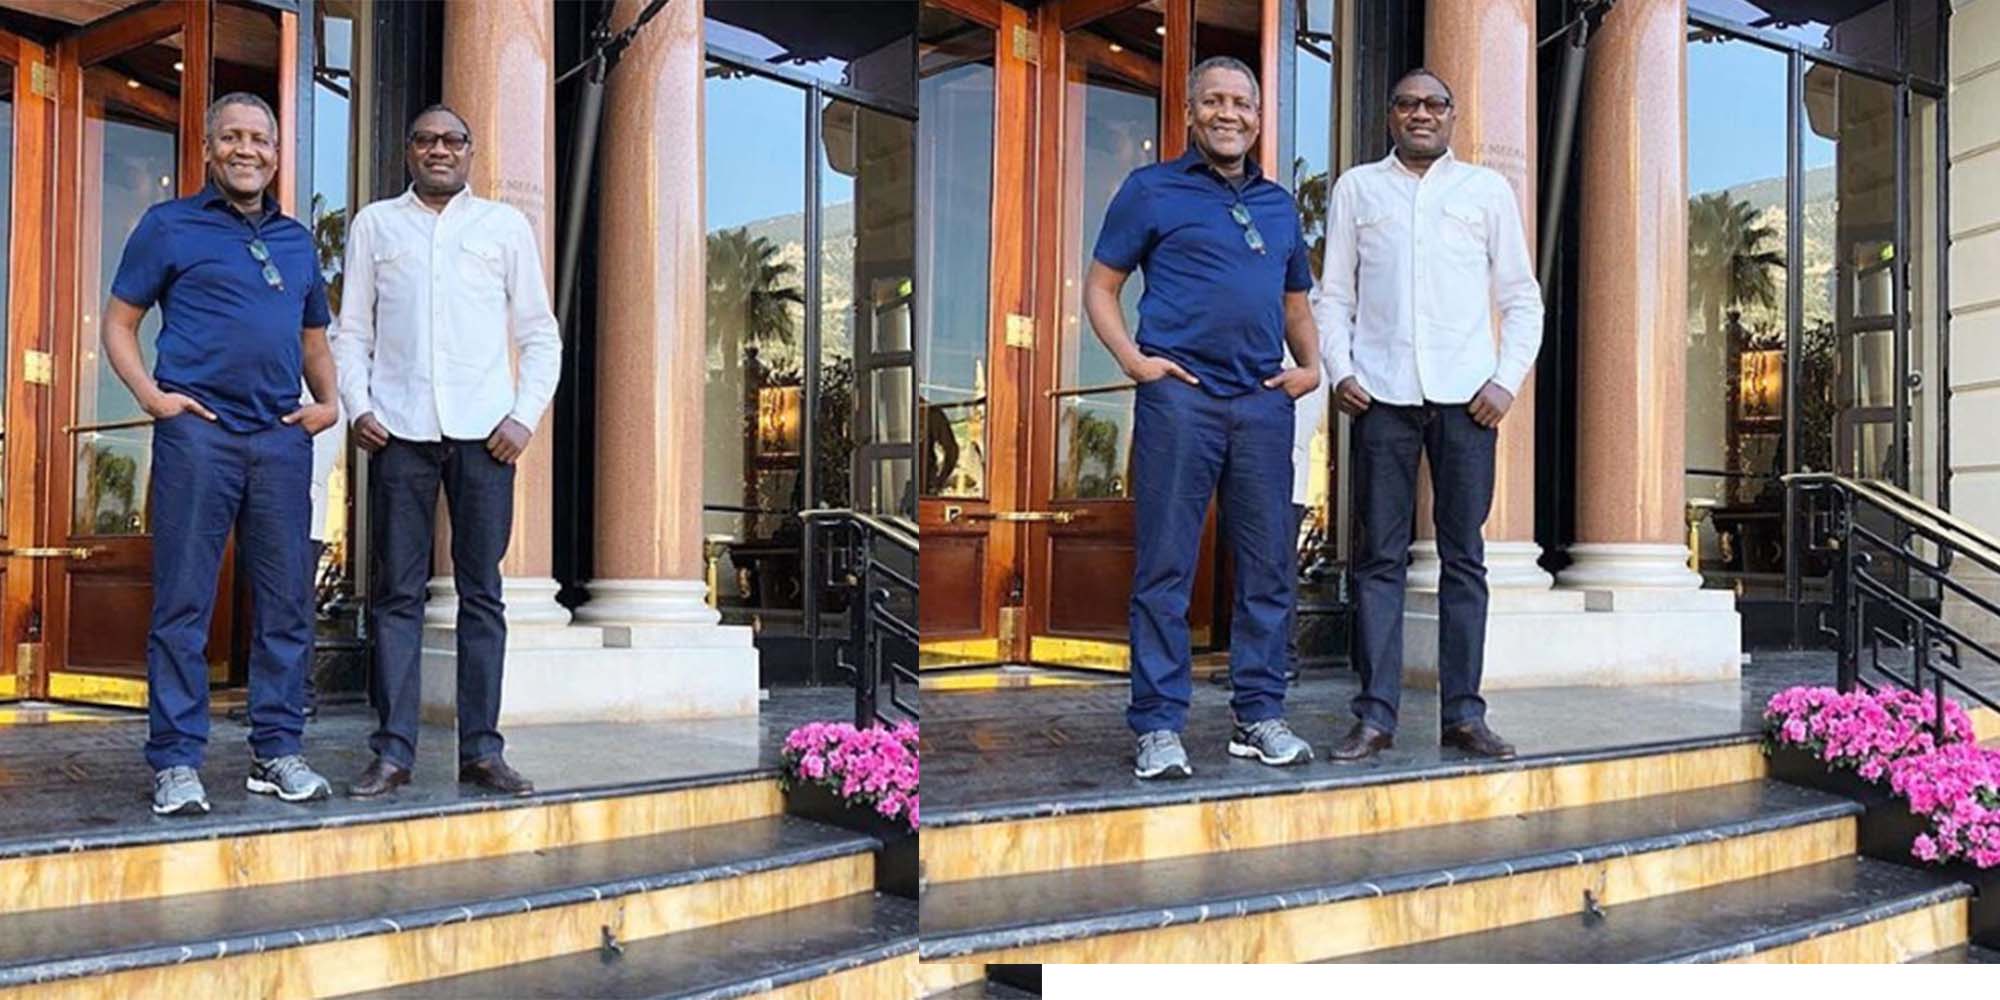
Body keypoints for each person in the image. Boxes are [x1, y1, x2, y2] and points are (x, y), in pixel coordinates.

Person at [1086, 56, 1322, 780]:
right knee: (1166, 564)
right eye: (1214, 101)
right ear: (1190, 113)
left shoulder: (1279, 205)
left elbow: (1294, 302)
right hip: (1181, 398)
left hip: (1261, 403)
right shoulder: (1150, 189)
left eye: (1241, 103)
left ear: (1258, 117)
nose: (1229, 114)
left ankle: (1259, 716)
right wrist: (1134, 361)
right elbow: (1101, 287)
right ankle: (1159, 726)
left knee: (1268, 567)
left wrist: (1312, 367)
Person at [104, 93, 338, 815]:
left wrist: (330, 403)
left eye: (259, 139)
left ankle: (276, 751)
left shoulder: (297, 241)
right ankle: (176, 761)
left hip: (279, 439)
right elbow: (120, 323)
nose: (247, 150)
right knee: (184, 600)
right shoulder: (168, 225)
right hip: (198, 434)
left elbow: (313, 339)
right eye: (231, 137)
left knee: (286, 603)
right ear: (208, 149)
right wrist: (152, 397)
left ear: (276, 153)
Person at [1314, 68, 1544, 763]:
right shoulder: (1358, 189)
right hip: (1381, 397)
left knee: (1463, 559)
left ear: (1452, 116)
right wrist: (1342, 370)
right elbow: (1334, 295)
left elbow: (1522, 299)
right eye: (1408, 103)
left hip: (1468, 402)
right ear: (1391, 115)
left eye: (1434, 104)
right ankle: (1374, 716)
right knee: (1378, 560)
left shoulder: (1486, 191)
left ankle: (1464, 716)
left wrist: (1505, 382)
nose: (1421, 113)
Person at [332, 105, 561, 798]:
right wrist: (360, 406)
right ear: (409, 150)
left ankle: (482, 752)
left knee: (481, 595)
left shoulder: (504, 227)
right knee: (396, 595)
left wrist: (523, 418)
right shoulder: (376, 225)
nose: (439, 149)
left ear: (469, 152)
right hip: (398, 432)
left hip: (486, 438)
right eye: (426, 139)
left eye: (452, 140)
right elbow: (352, 331)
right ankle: (392, 752)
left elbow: (540, 335)